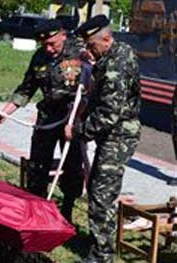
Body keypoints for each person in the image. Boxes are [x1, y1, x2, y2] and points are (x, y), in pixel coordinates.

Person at [0, 19, 88, 223]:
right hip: (47, 117)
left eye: (53, 43)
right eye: (44, 45)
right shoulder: (39, 57)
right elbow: (26, 88)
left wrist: (80, 118)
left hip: (73, 116)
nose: (49, 49)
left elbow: (93, 86)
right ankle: (36, 209)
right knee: (38, 165)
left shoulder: (81, 53)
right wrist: (5, 112)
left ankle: (67, 211)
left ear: (62, 34)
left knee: (72, 166)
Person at [65, 15, 141, 263]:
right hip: (113, 133)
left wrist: (77, 131)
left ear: (106, 39)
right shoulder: (116, 53)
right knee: (98, 189)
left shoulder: (116, 65)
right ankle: (99, 244)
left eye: (91, 45)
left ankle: (102, 255)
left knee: (100, 194)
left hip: (118, 135)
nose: (88, 50)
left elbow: (108, 114)